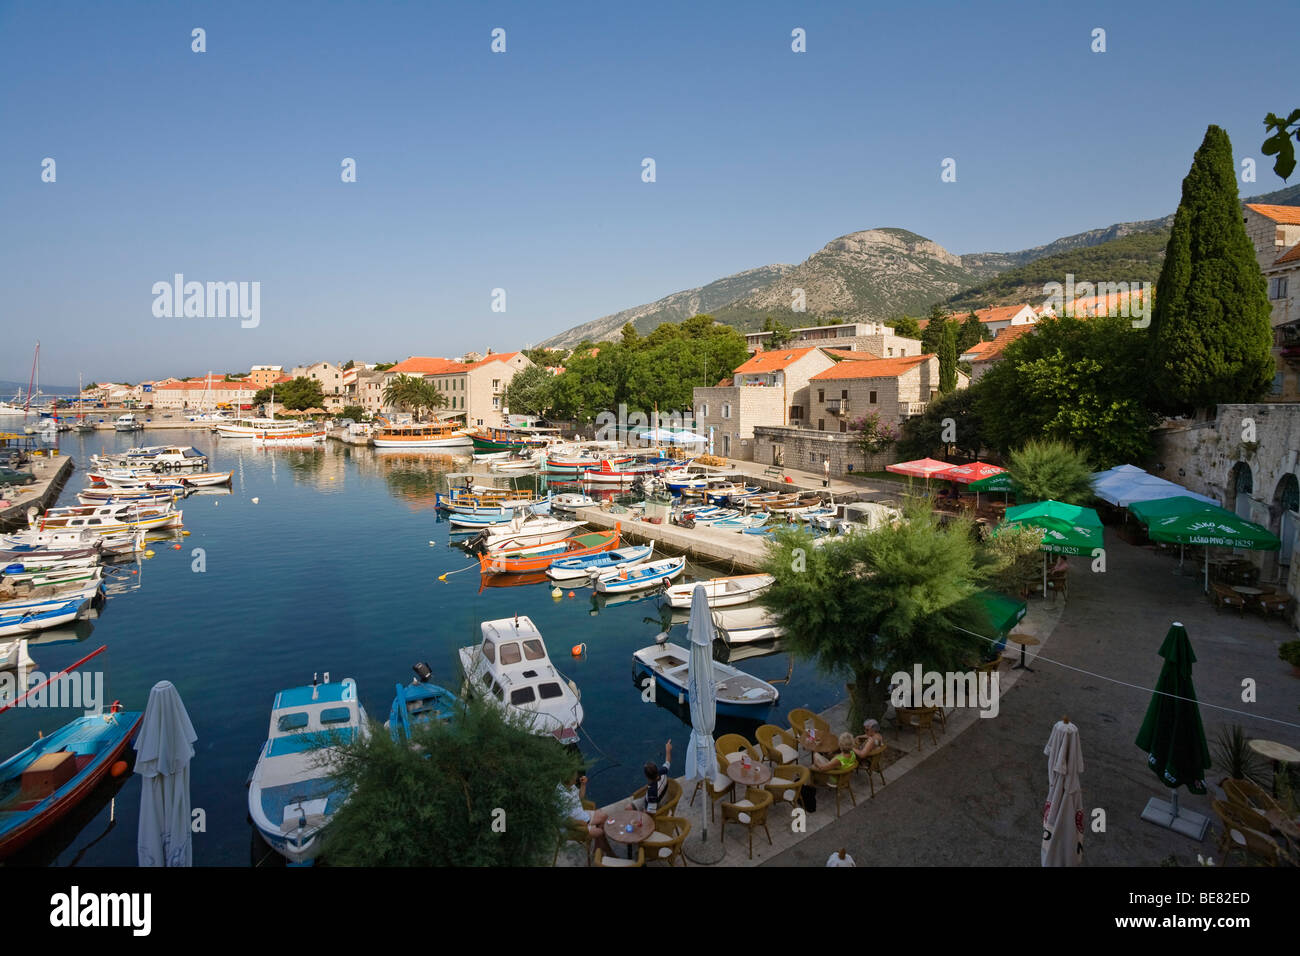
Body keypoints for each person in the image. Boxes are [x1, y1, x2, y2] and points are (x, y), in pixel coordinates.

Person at [558, 771, 610, 855]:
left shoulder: (569, 785)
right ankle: (607, 851)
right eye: (575, 776)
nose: (577, 777)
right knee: (600, 832)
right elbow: (567, 822)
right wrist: (586, 825)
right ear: (570, 779)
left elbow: (580, 797)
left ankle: (598, 848)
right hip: (573, 827)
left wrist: (583, 785)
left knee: (604, 817)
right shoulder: (561, 797)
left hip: (582, 816)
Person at [630, 739, 673, 814]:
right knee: (628, 808)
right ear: (656, 770)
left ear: (647, 777)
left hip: (655, 804)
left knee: (630, 811)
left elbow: (651, 812)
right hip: (652, 799)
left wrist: (644, 812)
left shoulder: (652, 791)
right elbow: (668, 761)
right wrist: (668, 749)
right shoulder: (662, 772)